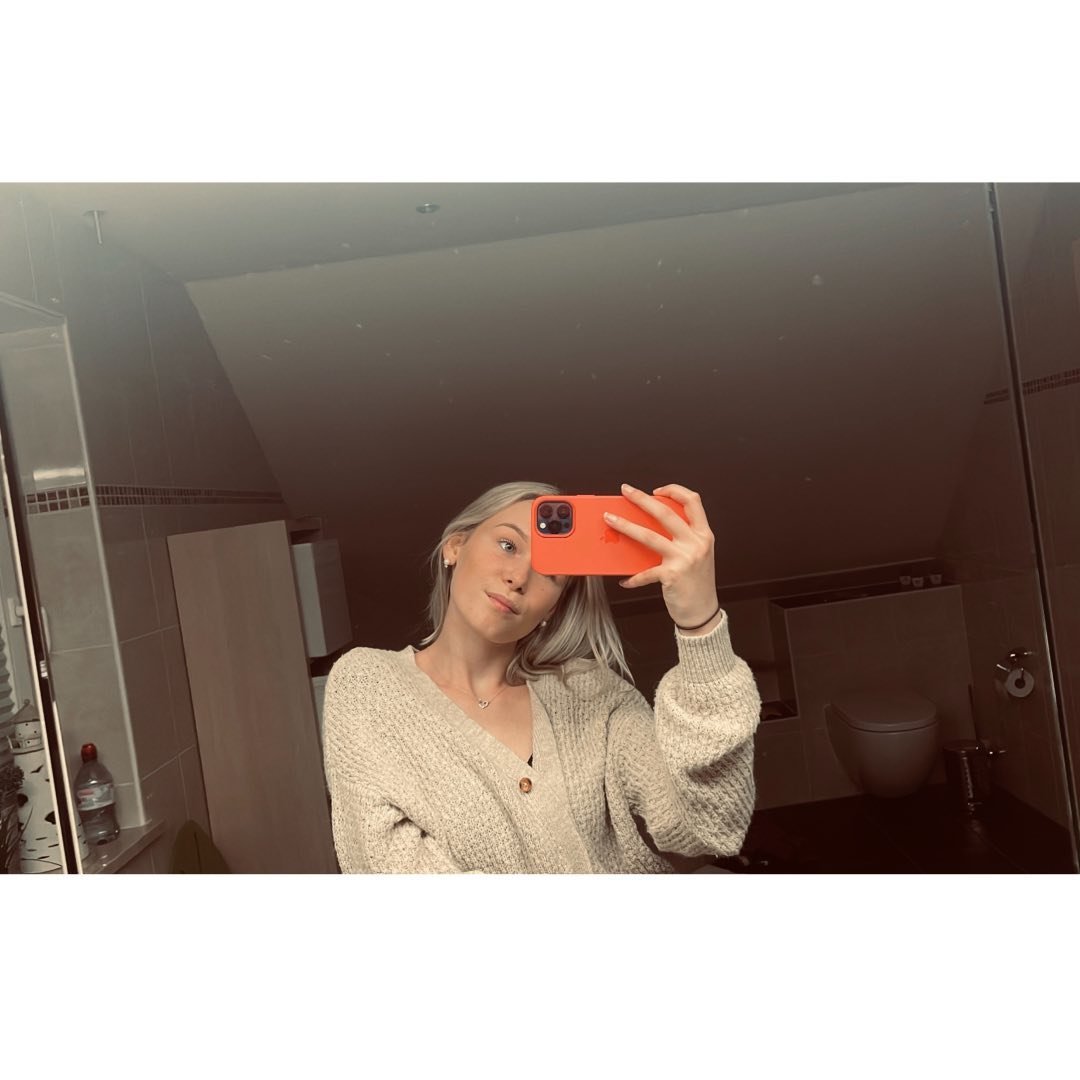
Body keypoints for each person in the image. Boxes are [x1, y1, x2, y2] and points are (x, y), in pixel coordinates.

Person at [322, 480, 761, 873]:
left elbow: (709, 827)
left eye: (550, 572)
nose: (518, 578)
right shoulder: (369, 685)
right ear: (455, 547)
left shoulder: (592, 693)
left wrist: (700, 624)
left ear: (556, 605)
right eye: (508, 545)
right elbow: (388, 869)